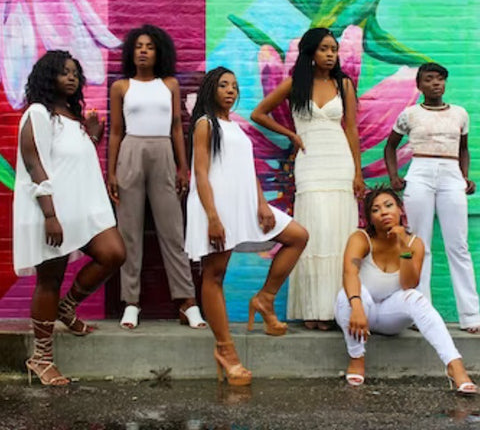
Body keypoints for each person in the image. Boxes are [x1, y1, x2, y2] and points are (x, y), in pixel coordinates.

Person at [185, 67, 308, 386]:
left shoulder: (234, 126)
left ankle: (264, 298)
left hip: (246, 204)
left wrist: (262, 203)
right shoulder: (205, 124)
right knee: (214, 275)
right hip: (216, 206)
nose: (230, 90)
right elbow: (200, 173)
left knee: (297, 236)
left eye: (235, 86)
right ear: (210, 89)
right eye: (223, 85)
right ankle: (226, 350)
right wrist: (212, 216)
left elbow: (246, 170)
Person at [13, 50, 126, 385]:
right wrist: (50, 214)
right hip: (52, 210)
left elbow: (69, 159)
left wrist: (90, 135)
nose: (72, 77)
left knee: (113, 253)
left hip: (82, 209)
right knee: (49, 279)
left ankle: (67, 307)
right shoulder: (37, 113)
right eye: (64, 72)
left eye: (75, 72)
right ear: (49, 77)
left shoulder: (72, 116)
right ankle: (41, 358)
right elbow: (35, 163)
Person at [251, 27, 364, 330]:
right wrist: (291, 134)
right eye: (325, 49)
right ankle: (311, 309)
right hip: (310, 162)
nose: (330, 54)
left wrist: (358, 173)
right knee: (314, 231)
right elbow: (258, 114)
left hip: (339, 163)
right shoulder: (294, 83)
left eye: (334, 49)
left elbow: (351, 129)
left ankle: (334, 310)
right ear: (311, 52)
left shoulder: (344, 84)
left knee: (339, 234)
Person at [108, 24, 206, 330]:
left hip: (163, 151)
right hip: (131, 151)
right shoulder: (121, 87)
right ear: (131, 52)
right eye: (138, 46)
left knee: (173, 231)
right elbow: (115, 132)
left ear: (158, 51)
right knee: (129, 232)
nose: (143, 51)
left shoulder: (170, 85)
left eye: (149, 46)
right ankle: (131, 302)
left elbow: (177, 126)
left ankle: (187, 301)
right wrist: (111, 172)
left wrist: (182, 166)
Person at [334, 186, 477, 394]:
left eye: (389, 205)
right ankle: (357, 357)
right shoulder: (361, 238)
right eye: (375, 210)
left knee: (416, 298)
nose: (383, 212)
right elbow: (349, 274)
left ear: (400, 209)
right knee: (351, 295)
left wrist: (403, 246)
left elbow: (408, 284)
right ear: (370, 218)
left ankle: (455, 366)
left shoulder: (414, 243)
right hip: (359, 310)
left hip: (389, 316)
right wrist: (356, 307)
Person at [384, 63, 480, 333]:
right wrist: (394, 177)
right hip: (420, 172)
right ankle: (420, 312)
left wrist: (464, 177)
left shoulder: (460, 114)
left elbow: (463, 149)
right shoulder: (409, 114)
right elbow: (390, 146)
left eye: (440, 79)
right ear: (419, 85)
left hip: (450, 174)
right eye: (430, 79)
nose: (436, 83)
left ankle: (471, 315)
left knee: (458, 245)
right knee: (419, 245)